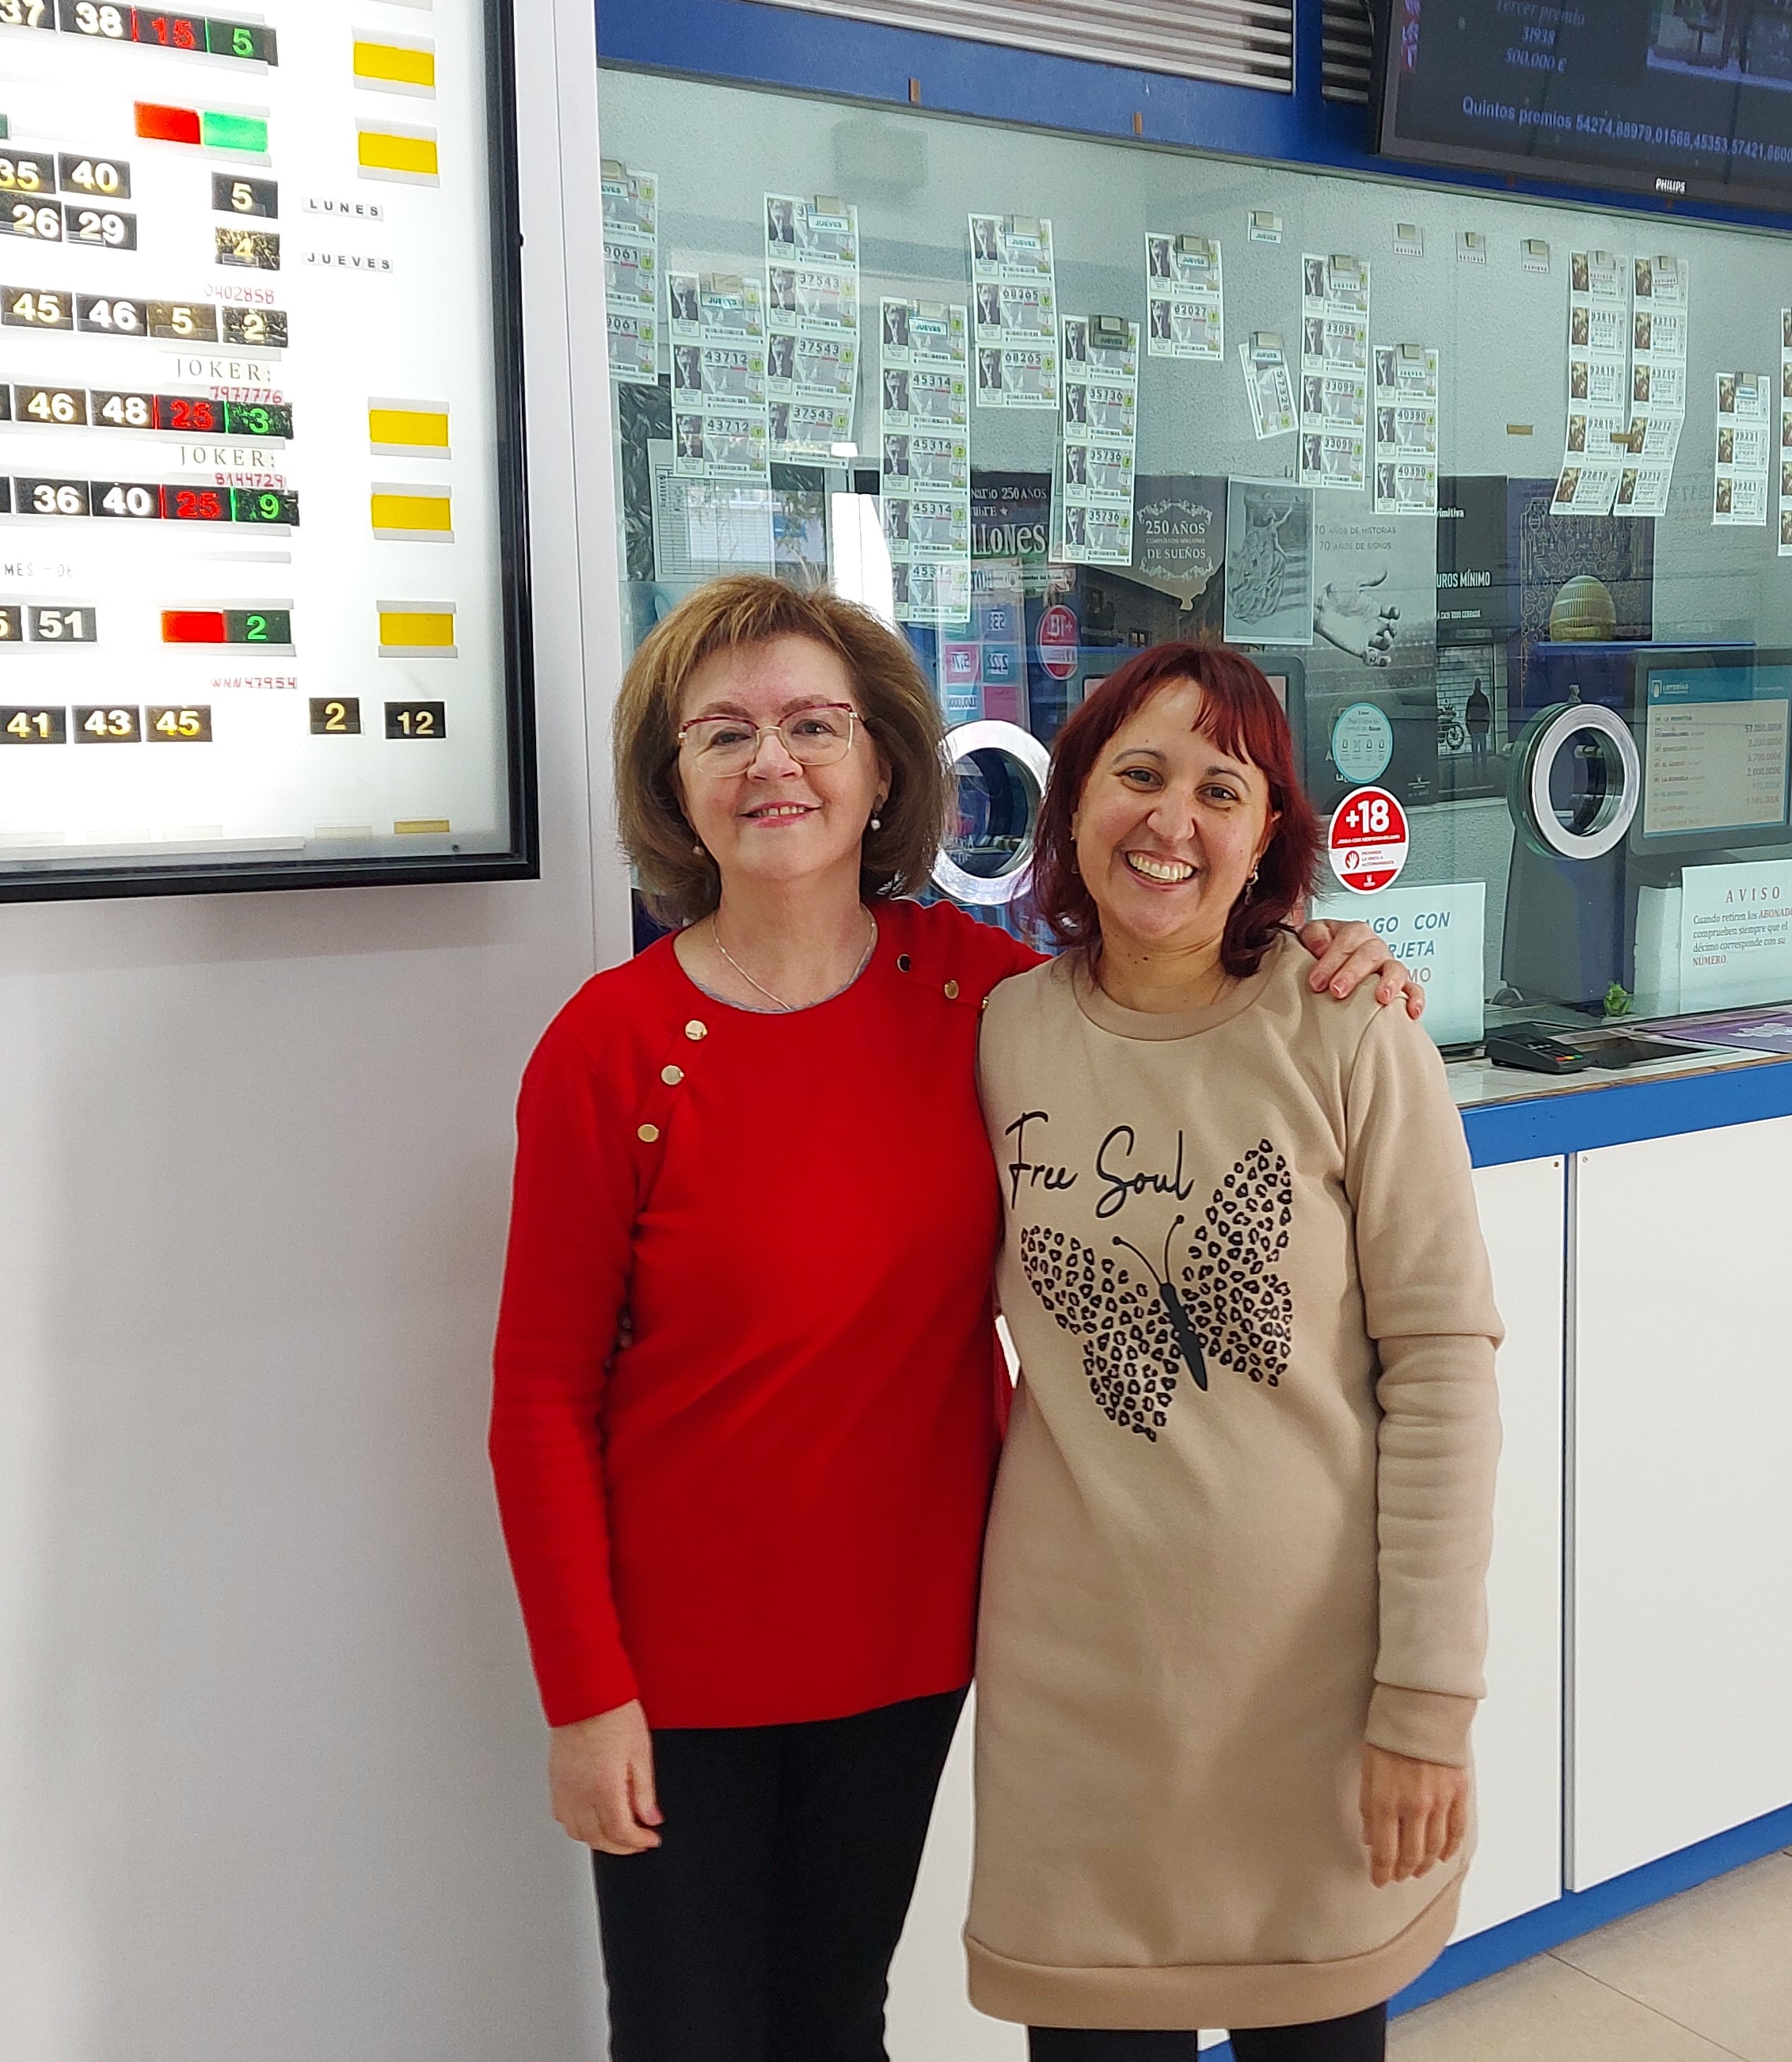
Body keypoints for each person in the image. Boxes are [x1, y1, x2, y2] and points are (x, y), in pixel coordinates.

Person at [490, 578, 1413, 2062]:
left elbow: (1168, 980)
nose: (771, 764)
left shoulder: (978, 998)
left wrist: (1321, 947)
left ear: (881, 769)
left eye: (811, 725)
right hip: (678, 1667)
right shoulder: (610, 1049)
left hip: (910, 1644)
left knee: (834, 2019)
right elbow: (539, 1396)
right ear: (676, 785)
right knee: (685, 2035)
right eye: (721, 735)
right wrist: (583, 1693)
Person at [967, 643, 1502, 2059]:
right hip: (1076, 1701)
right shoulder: (999, 1033)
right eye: (1137, 774)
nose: (1172, 820)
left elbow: (1445, 1374)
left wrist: (1427, 1701)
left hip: (1313, 1696)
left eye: (1223, 787)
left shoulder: (1348, 1030)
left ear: (1268, 832)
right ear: (1073, 801)